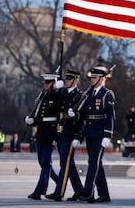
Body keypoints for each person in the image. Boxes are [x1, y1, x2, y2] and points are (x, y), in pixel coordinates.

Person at [45, 70, 85, 202]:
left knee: (64, 162)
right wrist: (55, 87)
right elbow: (50, 100)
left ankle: (59, 192)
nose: (67, 81)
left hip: (71, 134)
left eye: (69, 79)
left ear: (76, 80)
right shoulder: (62, 93)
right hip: (61, 132)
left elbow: (81, 119)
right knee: (69, 164)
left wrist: (78, 136)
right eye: (66, 79)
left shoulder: (79, 95)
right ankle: (80, 191)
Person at [78, 65, 116, 203]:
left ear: (101, 79)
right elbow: (84, 113)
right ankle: (104, 194)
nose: (92, 80)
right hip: (89, 132)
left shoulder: (107, 94)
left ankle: (88, 192)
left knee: (93, 163)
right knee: (96, 163)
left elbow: (110, 116)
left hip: (100, 134)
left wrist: (107, 135)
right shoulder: (90, 94)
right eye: (91, 77)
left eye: (94, 77)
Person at [24, 73, 61, 200]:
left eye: (48, 83)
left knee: (46, 162)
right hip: (41, 132)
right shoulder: (43, 96)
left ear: (53, 83)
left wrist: (57, 134)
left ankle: (39, 191)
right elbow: (39, 114)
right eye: (45, 83)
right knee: (43, 162)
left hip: (51, 133)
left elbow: (59, 117)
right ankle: (60, 181)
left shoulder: (57, 96)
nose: (45, 85)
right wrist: (32, 120)